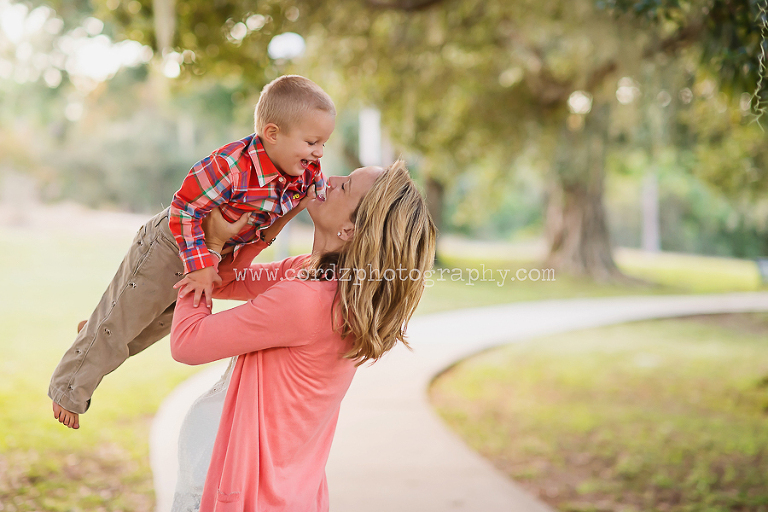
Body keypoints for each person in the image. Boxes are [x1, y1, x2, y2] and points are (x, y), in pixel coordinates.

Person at [49, 75, 336, 429]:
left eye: (323, 143)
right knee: (118, 327)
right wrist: (200, 265)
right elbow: (185, 207)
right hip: (170, 246)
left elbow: (322, 200)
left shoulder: (304, 171)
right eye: (312, 142)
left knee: (151, 327)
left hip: (212, 256)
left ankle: (98, 333)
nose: (319, 153)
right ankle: (67, 389)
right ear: (273, 133)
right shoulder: (231, 165)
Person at [169, 160, 436, 512]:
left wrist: (207, 251)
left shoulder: (305, 300)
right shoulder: (315, 278)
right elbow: (228, 281)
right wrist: (277, 222)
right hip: (285, 494)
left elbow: (187, 342)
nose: (331, 179)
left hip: (232, 487)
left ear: (349, 229)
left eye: (345, 186)